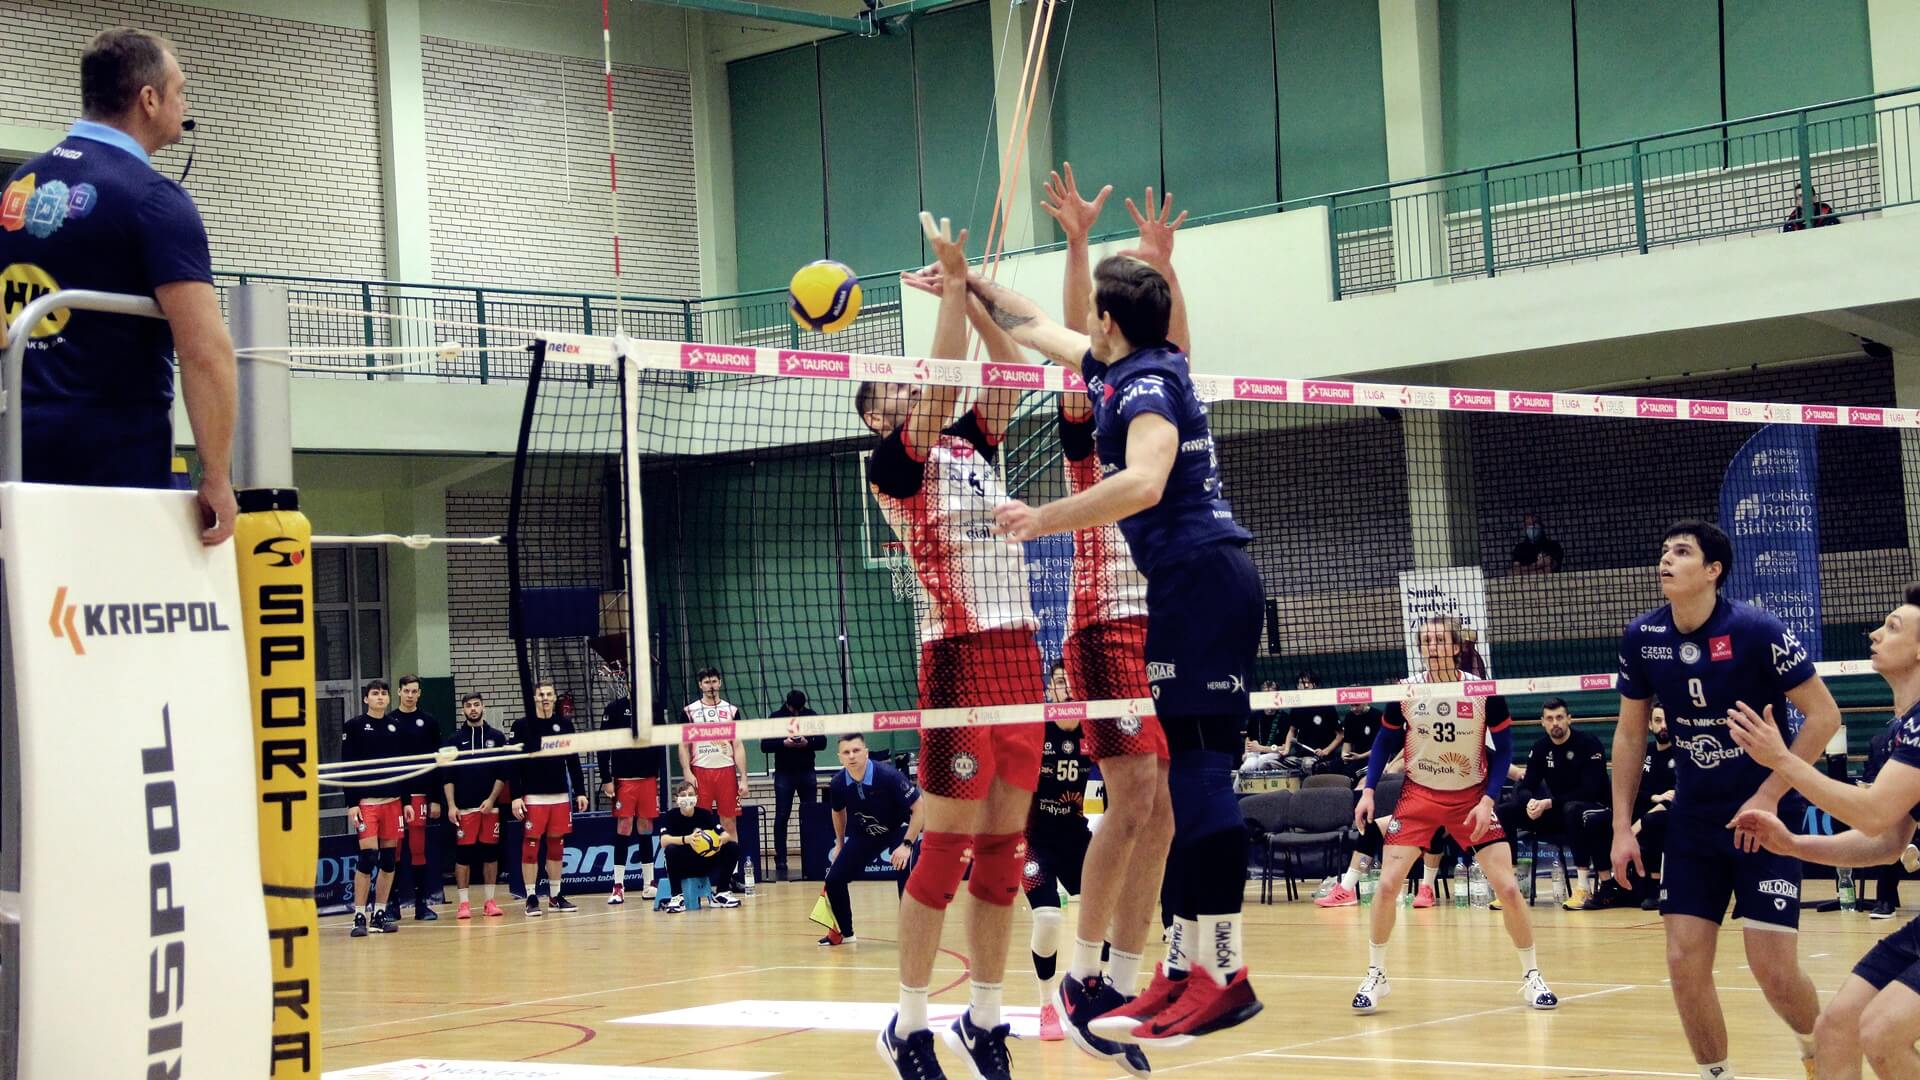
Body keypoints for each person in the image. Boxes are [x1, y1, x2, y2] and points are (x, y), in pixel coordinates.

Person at [972, 194, 1266, 1044]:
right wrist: (967, 286)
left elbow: (1142, 482)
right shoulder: (1124, 364)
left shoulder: (1145, 387)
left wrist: (1042, 519)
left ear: (1108, 322)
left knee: (1197, 781)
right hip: (1198, 584)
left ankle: (1222, 973)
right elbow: (1034, 323)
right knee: (1191, 779)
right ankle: (1188, 970)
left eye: (1093, 315)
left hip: (1199, 581)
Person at [861, 213, 1041, 1080]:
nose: (906, 388)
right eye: (890, 391)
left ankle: (986, 1017)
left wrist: (969, 298)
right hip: (960, 659)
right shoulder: (893, 465)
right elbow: (938, 388)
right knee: (945, 847)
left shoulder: (968, 444)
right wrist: (953, 278)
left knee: (1006, 849)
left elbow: (1010, 368)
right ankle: (907, 1024)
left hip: (1020, 652)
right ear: (876, 416)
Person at [1609, 520, 1843, 1080]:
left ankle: (1819, 1054)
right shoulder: (1642, 636)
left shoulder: (1756, 629)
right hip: (1694, 821)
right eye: (1664, 551)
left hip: (1764, 819)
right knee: (1683, 963)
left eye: (1681, 552)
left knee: (1774, 972)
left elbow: (1825, 716)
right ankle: (1717, 1075)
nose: (1666, 559)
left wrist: (1768, 792)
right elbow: (1630, 735)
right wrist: (1621, 827)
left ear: (1713, 570)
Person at [0, 28, 235, 542]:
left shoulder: (18, 185)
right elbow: (204, 350)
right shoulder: (155, 200)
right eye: (180, 90)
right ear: (148, 100)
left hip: (18, 447)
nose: (184, 103)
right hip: (115, 458)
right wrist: (217, 476)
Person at [1727, 583, 1920, 1078]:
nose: (1874, 633)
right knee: (1834, 1028)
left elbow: (1873, 811)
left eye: (1892, 626)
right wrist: (1792, 844)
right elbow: (1886, 842)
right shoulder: (1896, 733)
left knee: (1881, 1032)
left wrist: (1782, 759)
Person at [1349, 617, 1557, 1014]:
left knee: (1508, 889)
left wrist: (1489, 800)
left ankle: (1532, 976)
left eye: (1440, 639)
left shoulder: (1483, 692)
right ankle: (1376, 974)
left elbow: (1505, 748)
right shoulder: (1406, 691)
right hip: (1418, 797)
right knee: (1388, 885)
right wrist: (1369, 789)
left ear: (1456, 646)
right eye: (1426, 640)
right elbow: (1384, 742)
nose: (1433, 646)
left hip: (1470, 798)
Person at [1495, 698, 1611, 909]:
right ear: (1542, 722)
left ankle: (1583, 887)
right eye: (1549, 719)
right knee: (1505, 811)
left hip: (1593, 809)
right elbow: (1526, 785)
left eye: (1559, 717)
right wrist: (1530, 802)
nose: (1555, 723)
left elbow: (1589, 790)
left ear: (1569, 719)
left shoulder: (1589, 743)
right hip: (1558, 810)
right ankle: (1511, 887)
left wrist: (1548, 803)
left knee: (1572, 809)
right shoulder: (1541, 748)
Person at [1023, 704, 1094, 1045]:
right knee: (1048, 917)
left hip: (1077, 838)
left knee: (1108, 915)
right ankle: (1046, 1005)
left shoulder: (1094, 730)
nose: (1065, 690)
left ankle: (1088, 991)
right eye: (1059, 683)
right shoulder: (1036, 731)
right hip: (1034, 841)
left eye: (1070, 683)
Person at [822, 734, 921, 946]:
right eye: (846, 752)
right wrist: (840, 843)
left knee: (906, 871)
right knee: (834, 880)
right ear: (840, 757)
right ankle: (846, 933)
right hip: (866, 834)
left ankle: (913, 932)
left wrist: (907, 844)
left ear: (866, 752)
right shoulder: (838, 783)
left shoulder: (888, 776)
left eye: (856, 750)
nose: (852, 756)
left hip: (899, 830)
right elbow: (837, 812)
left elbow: (919, 807)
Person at [510, 681, 589, 917]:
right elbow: (512, 764)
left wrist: (580, 791)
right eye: (540, 694)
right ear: (534, 698)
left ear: (555, 698)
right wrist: (515, 796)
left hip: (559, 795)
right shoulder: (522, 726)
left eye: (549, 694)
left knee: (556, 846)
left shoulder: (565, 725)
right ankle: (531, 897)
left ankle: (555, 896)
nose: (545, 698)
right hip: (533, 796)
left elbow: (573, 760)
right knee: (531, 846)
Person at [341, 680, 408, 937]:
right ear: (366, 699)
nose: (380, 697)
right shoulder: (354, 726)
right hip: (367, 803)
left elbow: (403, 767)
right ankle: (359, 915)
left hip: (393, 802)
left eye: (383, 693)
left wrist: (406, 802)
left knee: (389, 860)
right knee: (368, 857)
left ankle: (379, 914)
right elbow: (347, 766)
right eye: (375, 693)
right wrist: (351, 803)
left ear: (389, 698)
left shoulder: (396, 726)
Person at [680, 667, 749, 894]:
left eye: (714, 681)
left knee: (730, 824)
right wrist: (687, 772)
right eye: (706, 682)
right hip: (700, 772)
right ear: (700, 685)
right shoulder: (689, 711)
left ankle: (732, 877)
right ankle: (701, 875)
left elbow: (738, 745)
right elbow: (683, 745)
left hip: (726, 771)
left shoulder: (731, 710)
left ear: (720, 682)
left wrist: (743, 777)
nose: (711, 685)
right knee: (699, 824)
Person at [443, 692, 508, 920]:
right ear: (463, 710)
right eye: (469, 705)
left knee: (490, 855)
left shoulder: (497, 737)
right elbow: (447, 776)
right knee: (463, 856)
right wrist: (451, 805)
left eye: (476, 705)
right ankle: (464, 904)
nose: (473, 709)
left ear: (483, 707)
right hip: (463, 809)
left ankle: (490, 902)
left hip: (490, 808)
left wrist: (491, 799)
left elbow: (502, 773)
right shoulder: (453, 740)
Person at [386, 674, 443, 922]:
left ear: (419, 693)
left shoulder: (429, 722)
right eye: (406, 691)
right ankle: (392, 904)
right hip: (395, 796)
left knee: (418, 849)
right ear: (399, 692)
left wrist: (436, 799)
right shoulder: (389, 722)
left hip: (421, 794)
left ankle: (421, 904)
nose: (410, 695)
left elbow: (437, 763)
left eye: (414, 691)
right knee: (394, 850)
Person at [601, 692, 665, 904]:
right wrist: (606, 778)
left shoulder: (654, 707)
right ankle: (618, 886)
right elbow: (603, 744)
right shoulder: (614, 708)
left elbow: (660, 743)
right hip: (624, 779)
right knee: (624, 826)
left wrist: (657, 776)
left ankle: (649, 884)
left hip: (648, 778)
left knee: (645, 827)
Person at [762, 690, 826, 882]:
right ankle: (781, 860)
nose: (796, 713)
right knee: (782, 815)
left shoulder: (811, 716)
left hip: (807, 771)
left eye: (799, 710)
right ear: (787, 705)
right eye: (793, 710)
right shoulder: (776, 718)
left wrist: (807, 742)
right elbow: (765, 745)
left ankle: (811, 857)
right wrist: (784, 743)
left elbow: (822, 742)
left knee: (810, 816)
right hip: (784, 773)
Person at [657, 780, 743, 911]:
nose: (687, 798)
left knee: (732, 846)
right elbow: (664, 841)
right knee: (670, 850)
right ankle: (677, 897)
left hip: (704, 861)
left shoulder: (704, 814)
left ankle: (721, 892)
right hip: (683, 864)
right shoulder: (670, 816)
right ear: (676, 799)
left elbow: (726, 835)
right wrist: (687, 839)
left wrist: (717, 840)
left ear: (696, 797)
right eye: (683, 795)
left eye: (691, 794)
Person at [1626, 706, 1678, 912]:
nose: (1663, 726)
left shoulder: (1682, 754)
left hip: (1673, 815)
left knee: (1652, 822)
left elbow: (1675, 797)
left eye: (1667, 720)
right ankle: (1612, 885)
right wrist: (1652, 797)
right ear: (1649, 724)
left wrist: (1640, 823)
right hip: (1645, 808)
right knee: (1603, 819)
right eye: (1657, 721)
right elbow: (1632, 790)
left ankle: (1655, 886)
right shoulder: (1644, 752)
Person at [1864, 727, 1903, 919]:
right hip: (1892, 808)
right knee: (1891, 833)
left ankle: (1915, 847)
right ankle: (1885, 900)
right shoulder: (1878, 741)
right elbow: (1869, 775)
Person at [1288, 672, 1344, 774]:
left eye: (1308, 682)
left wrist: (1326, 751)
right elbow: (1292, 731)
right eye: (1301, 683)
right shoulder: (1296, 708)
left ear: (1315, 685)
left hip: (1319, 757)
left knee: (1308, 764)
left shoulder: (1326, 707)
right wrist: (1286, 750)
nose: (1304, 686)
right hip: (1299, 757)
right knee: (1268, 763)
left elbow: (1340, 735)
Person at [1241, 681, 1288, 773]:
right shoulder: (1255, 716)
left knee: (1261, 761)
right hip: (1255, 753)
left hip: (1275, 753)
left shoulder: (1284, 718)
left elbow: (1285, 748)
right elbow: (1249, 737)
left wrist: (1261, 748)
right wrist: (1246, 752)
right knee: (1246, 768)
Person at [1340, 699, 1383, 780]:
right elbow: (1347, 742)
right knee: (1326, 767)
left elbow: (1381, 746)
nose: (1354, 709)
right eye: (1351, 705)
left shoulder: (1377, 715)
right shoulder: (1349, 716)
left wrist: (1360, 756)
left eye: (1357, 705)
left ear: (1366, 702)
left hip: (1371, 757)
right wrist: (1344, 755)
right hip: (1355, 756)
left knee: (1350, 774)